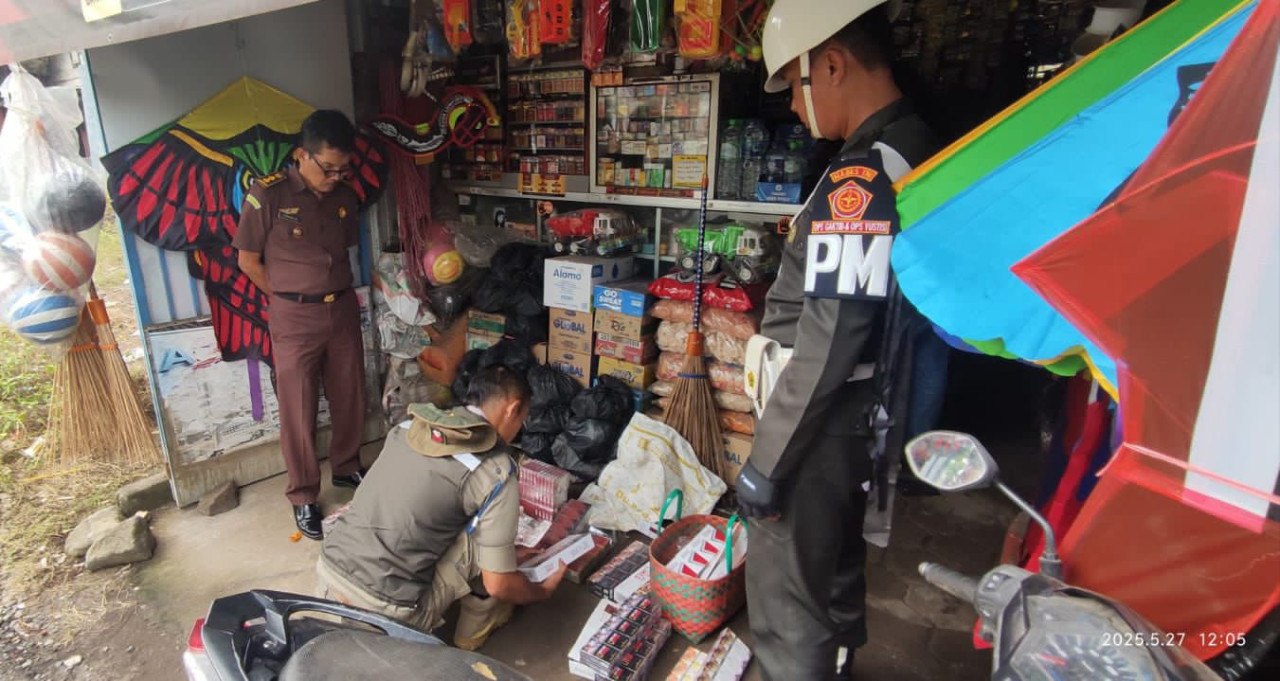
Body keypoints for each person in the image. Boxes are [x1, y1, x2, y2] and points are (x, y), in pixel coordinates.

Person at [734, 2, 940, 679]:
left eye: (795, 84)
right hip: (858, 412)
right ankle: (841, 660)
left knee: (787, 597)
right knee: (835, 567)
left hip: (818, 423)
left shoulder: (861, 176)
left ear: (832, 62)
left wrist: (768, 459)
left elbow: (830, 336)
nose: (794, 105)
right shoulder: (910, 143)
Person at [316, 366, 567, 650]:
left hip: (329, 577)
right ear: (513, 409)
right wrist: (540, 592)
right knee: (484, 544)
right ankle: (472, 632)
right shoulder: (495, 470)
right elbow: (499, 584)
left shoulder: (409, 427)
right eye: (522, 419)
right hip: (390, 612)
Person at [233, 110, 368, 540]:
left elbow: (342, 249)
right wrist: (285, 297)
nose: (334, 176)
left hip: (342, 309)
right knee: (298, 405)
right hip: (293, 316)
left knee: (349, 394)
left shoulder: (344, 196)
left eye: (342, 168)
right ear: (301, 155)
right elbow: (247, 260)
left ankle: (347, 468)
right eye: (326, 167)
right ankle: (304, 494)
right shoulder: (267, 195)